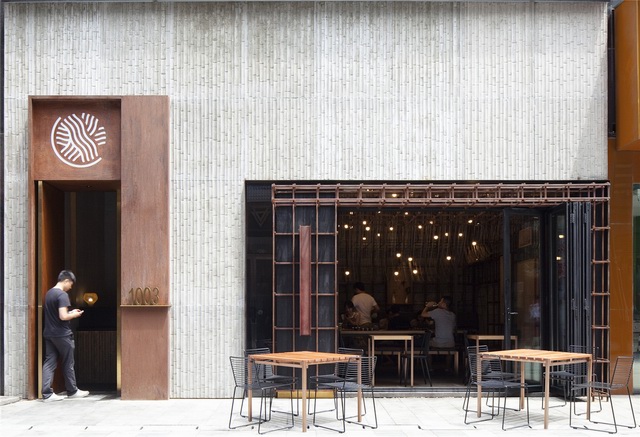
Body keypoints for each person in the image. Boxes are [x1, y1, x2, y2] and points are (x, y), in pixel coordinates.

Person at [41, 270, 90, 402]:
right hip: (62, 334)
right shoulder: (62, 295)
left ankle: (47, 394)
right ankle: (72, 391)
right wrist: (74, 314)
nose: (71, 287)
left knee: (49, 362)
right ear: (66, 280)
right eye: (71, 284)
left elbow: (57, 314)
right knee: (68, 362)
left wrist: (70, 311)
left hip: (49, 333)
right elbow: (63, 316)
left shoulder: (49, 293)